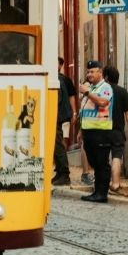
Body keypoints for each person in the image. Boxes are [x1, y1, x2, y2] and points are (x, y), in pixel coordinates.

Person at [77, 59, 113, 203]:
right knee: (95, 163)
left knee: (101, 164)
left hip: (101, 131)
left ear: (100, 72)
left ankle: (101, 193)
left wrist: (86, 92)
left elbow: (103, 102)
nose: (89, 74)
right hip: (89, 131)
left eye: (92, 71)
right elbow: (84, 111)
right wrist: (81, 131)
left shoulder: (105, 87)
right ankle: (97, 191)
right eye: (88, 71)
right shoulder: (92, 88)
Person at [103, 65, 128, 194]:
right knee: (116, 156)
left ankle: (101, 183)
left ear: (106, 77)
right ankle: (115, 184)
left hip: (102, 129)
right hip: (117, 130)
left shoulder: (101, 91)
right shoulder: (122, 92)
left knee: (103, 157)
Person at [53, 57, 77, 186]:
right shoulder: (57, 78)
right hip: (59, 115)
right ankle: (59, 171)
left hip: (59, 116)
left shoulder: (62, 80)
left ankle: (64, 173)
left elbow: (71, 96)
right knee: (56, 143)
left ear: (61, 65)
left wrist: (73, 112)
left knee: (58, 143)